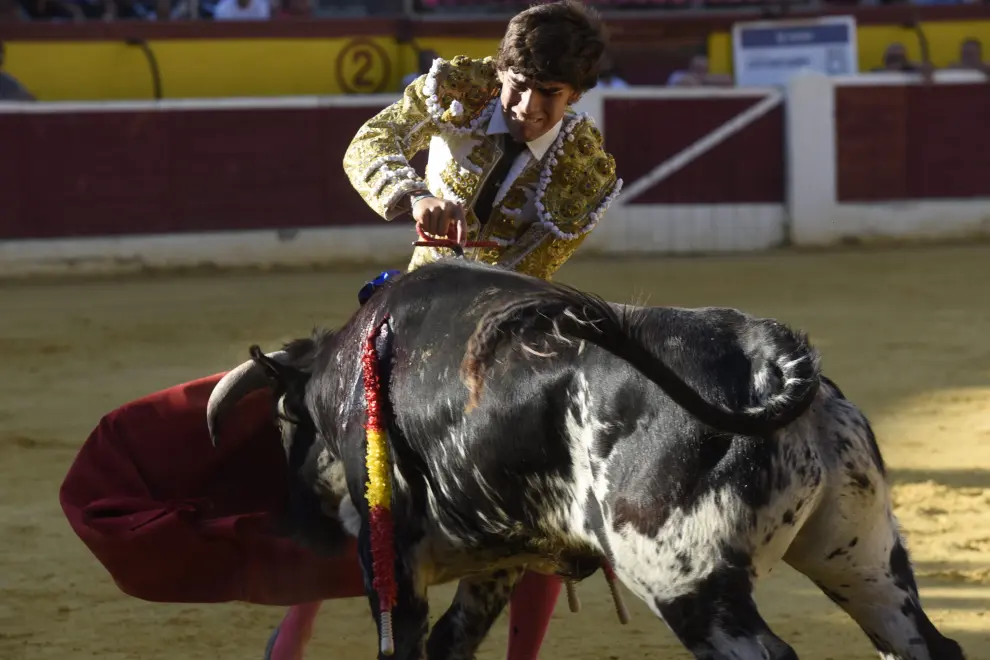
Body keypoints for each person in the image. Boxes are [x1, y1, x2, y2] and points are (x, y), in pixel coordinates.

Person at [59, 2, 620, 659]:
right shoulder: (456, 91)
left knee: (541, 480)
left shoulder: (585, 172)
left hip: (503, 320)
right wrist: (414, 196)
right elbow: (370, 144)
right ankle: (292, 636)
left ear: (577, 95)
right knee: (335, 453)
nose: (527, 105)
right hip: (411, 306)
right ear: (501, 71)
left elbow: (534, 270)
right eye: (517, 85)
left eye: (550, 96)